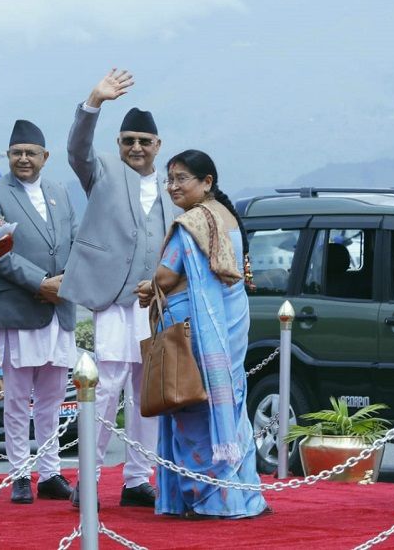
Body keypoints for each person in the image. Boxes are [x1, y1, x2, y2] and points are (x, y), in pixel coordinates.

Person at [59, 69, 179, 508]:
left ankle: (136, 479)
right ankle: (87, 481)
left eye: (144, 141)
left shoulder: (172, 188)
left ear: (158, 145)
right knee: (106, 388)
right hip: (112, 300)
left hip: (153, 306)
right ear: (118, 144)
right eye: (129, 141)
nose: (136, 148)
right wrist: (94, 102)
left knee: (147, 393)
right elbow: (77, 150)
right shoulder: (103, 171)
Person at [135, 149, 268, 519]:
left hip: (196, 331)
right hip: (229, 326)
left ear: (207, 182)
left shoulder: (192, 222)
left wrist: (149, 285)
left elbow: (166, 275)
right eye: (170, 179)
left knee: (192, 408)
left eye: (182, 178)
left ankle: (209, 498)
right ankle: (244, 495)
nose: (173, 186)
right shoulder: (226, 216)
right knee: (230, 408)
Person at [0, 119, 77, 504]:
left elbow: (76, 242)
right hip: (20, 308)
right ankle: (19, 473)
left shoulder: (59, 192)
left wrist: (68, 281)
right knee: (18, 399)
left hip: (59, 309)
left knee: (52, 399)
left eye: (31, 153)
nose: (23, 159)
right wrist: (42, 283)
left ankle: (50, 472)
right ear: (8, 155)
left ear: (45, 157)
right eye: (17, 152)